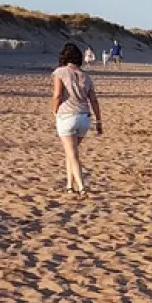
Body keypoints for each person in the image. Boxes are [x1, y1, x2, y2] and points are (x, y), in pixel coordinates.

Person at [51, 42, 103, 195]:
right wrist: (99, 121)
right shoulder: (86, 76)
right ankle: (69, 185)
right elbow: (94, 100)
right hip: (84, 117)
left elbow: (58, 95)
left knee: (72, 153)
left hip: (67, 115)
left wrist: (54, 110)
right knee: (71, 151)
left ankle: (81, 186)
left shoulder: (60, 72)